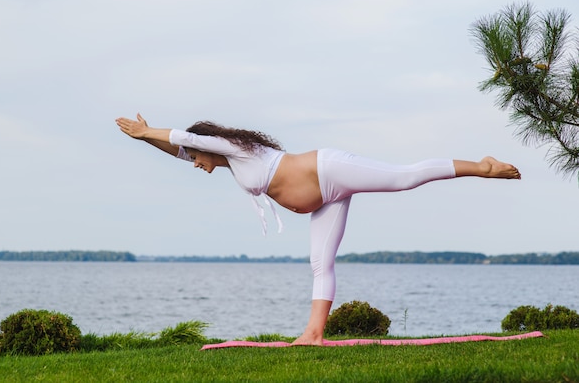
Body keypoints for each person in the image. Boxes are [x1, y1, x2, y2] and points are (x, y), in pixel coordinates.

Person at [115, 113, 521, 346]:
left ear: (207, 144)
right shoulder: (231, 162)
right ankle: (313, 334)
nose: (193, 163)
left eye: (194, 157)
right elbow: (179, 147)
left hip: (329, 169)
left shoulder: (232, 147)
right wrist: (146, 140)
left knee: (403, 178)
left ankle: (482, 166)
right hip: (324, 199)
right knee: (319, 263)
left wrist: (146, 131)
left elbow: (184, 138)